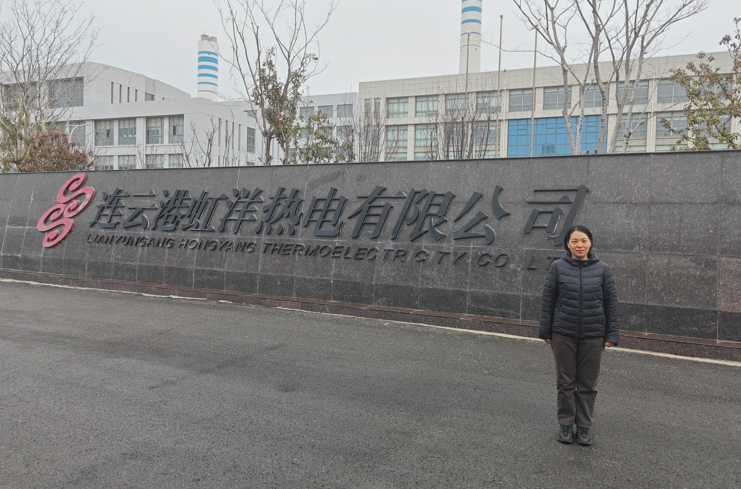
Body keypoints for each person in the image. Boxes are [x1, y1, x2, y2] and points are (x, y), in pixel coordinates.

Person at [539, 225, 619, 446]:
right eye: (574, 241)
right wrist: (546, 331)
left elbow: (610, 303)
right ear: (567, 244)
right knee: (565, 382)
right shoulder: (558, 267)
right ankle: (565, 424)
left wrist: (612, 333)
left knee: (588, 384)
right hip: (563, 334)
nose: (579, 245)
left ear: (590, 243)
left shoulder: (602, 269)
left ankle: (584, 426)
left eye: (584, 240)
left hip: (593, 335)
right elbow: (548, 301)